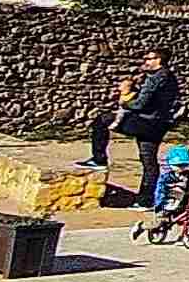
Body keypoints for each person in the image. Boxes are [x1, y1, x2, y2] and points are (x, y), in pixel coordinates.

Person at [77, 49, 181, 208]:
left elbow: (140, 104)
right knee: (149, 161)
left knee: (101, 120)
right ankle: (145, 200)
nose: (145, 61)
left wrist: (125, 99)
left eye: (149, 58)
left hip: (146, 122)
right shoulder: (170, 78)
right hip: (160, 124)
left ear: (158, 60)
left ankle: (99, 159)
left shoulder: (156, 78)